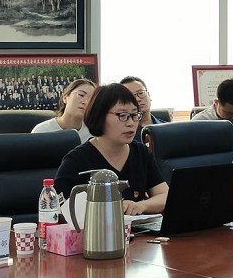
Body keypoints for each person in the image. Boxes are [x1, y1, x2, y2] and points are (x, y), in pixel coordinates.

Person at [54, 83, 169, 215]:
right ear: (99, 116)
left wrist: (140, 206)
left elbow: (164, 195)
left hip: (138, 228)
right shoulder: (76, 160)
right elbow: (61, 209)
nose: (131, 123)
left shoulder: (140, 152)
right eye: (122, 115)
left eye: (134, 115)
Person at [31, 78, 95, 142]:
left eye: (91, 99)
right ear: (65, 97)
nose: (86, 102)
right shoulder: (42, 131)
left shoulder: (93, 134)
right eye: (81, 95)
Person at [120, 76, 167, 143]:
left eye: (141, 93)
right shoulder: (121, 135)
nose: (138, 99)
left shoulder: (167, 129)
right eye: (131, 96)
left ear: (149, 96)